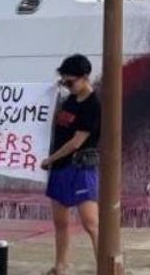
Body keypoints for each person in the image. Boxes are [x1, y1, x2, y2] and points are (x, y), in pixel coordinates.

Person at [40, 54, 101, 275]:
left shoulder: (93, 105)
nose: (67, 85)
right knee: (60, 222)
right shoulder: (70, 100)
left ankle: (105, 267)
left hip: (80, 167)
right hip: (60, 167)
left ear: (85, 77)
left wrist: (50, 159)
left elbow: (77, 141)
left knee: (91, 223)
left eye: (70, 81)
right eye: (64, 81)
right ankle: (61, 265)